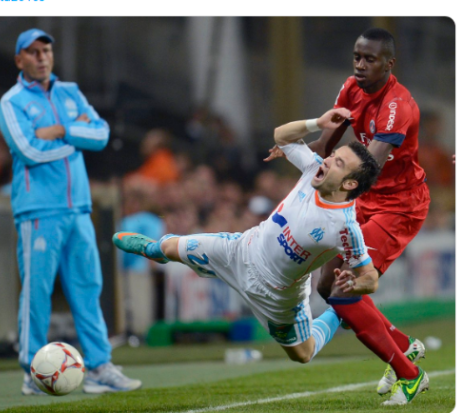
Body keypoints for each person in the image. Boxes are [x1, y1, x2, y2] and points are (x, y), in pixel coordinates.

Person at [115, 109, 429, 405]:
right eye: (333, 155)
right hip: (239, 251)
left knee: (303, 354)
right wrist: (317, 123)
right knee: (171, 248)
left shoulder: (344, 227)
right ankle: (152, 249)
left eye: (338, 163)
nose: (327, 160)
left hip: (278, 296)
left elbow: (370, 277)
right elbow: (281, 136)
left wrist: (356, 285)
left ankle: (336, 315)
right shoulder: (313, 169)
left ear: (348, 183)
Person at [0, 28, 141, 395]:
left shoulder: (70, 92)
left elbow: (102, 135)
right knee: (37, 291)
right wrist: (78, 138)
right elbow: (28, 150)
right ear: (19, 60)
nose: (41, 57)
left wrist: (60, 129)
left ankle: (99, 366)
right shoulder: (11, 102)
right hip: (38, 210)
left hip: (78, 207)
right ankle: (31, 371)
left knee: (88, 287)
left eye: (46, 50)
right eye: (33, 52)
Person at [296, 28, 430, 398]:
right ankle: (404, 346)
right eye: (357, 56)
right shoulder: (350, 89)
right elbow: (325, 144)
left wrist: (327, 193)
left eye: (370, 59)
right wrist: (293, 150)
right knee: (327, 287)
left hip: (399, 206)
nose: (360, 65)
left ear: (389, 64)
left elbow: (366, 168)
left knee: (345, 291)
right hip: (363, 200)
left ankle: (410, 374)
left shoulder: (397, 106)